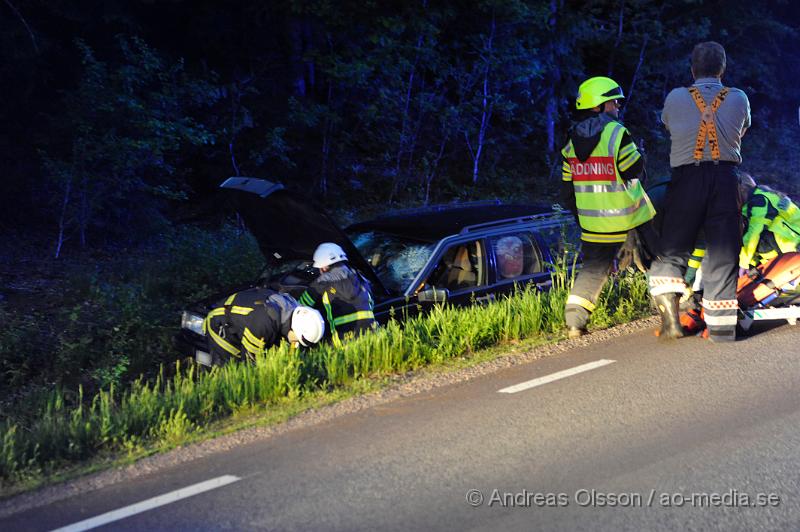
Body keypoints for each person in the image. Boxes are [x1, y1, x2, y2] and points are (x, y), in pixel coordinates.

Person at [648, 41, 751, 342]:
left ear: (692, 69)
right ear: (723, 69)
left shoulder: (675, 97)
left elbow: (669, 127)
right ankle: (720, 328)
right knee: (722, 250)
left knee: (674, 245)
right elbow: (743, 129)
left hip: (685, 178)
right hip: (725, 179)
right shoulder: (739, 98)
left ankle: (670, 321)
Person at [561, 76, 656, 338]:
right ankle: (676, 307)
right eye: (613, 102)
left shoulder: (570, 143)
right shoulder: (616, 133)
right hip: (630, 218)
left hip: (594, 225)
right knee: (658, 260)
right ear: (598, 106)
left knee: (593, 270)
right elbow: (632, 169)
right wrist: (641, 154)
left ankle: (574, 322)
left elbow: (567, 189)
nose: (617, 108)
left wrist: (582, 218)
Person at [204, 287, 325, 365]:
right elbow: (250, 360)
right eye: (298, 340)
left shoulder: (293, 309)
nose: (295, 343)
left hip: (243, 319)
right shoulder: (264, 324)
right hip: (220, 324)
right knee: (230, 370)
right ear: (296, 329)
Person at [298, 242, 376, 341]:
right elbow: (371, 301)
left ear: (324, 267)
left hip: (343, 341)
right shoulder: (360, 277)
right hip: (371, 336)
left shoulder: (321, 283)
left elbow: (301, 308)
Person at [738, 174, 800, 272]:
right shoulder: (755, 199)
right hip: (786, 243)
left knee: (753, 235)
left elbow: (756, 230)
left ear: (743, 189)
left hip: (793, 244)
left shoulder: (760, 199)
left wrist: (744, 263)